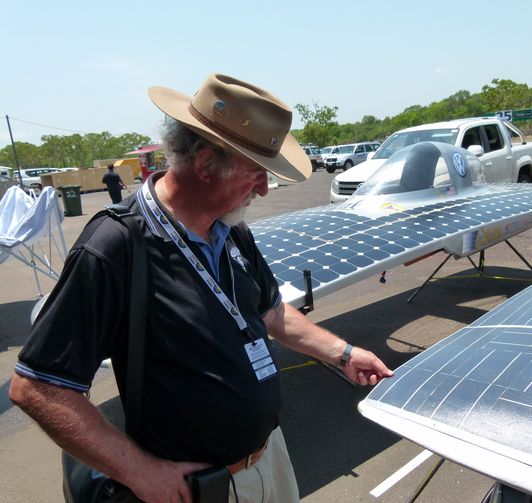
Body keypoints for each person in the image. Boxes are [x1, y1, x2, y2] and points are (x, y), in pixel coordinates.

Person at [9, 73, 393, 503]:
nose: (265, 188)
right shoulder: (116, 245)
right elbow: (38, 386)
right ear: (207, 163)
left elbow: (271, 314)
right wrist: (139, 472)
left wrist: (342, 354)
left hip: (270, 459)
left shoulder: (230, 227)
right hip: (199, 490)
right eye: (256, 173)